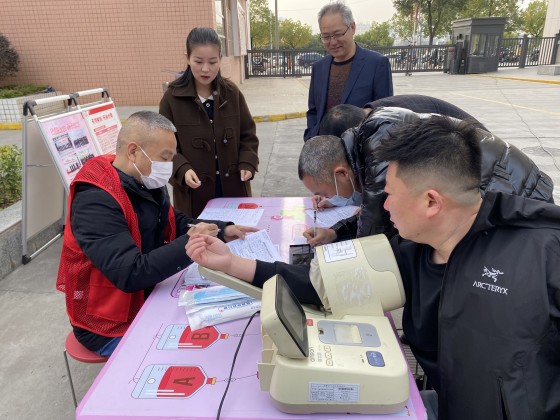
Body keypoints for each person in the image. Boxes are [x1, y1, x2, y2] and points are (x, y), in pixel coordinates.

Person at [187, 115, 560, 419]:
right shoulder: (411, 250)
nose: (384, 206)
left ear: (431, 202)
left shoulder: (544, 254)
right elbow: (321, 284)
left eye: (391, 195)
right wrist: (232, 262)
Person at [56, 111, 256, 357]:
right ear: (133, 151)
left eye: (172, 157)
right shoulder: (96, 200)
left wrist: (221, 229)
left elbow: (171, 220)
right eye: (165, 157)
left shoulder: (143, 179)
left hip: (148, 291)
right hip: (107, 323)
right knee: (192, 352)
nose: (169, 166)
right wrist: (191, 242)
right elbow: (129, 273)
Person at [301, 106, 554, 246]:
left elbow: (377, 221)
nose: (327, 198)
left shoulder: (378, 139)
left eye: (325, 192)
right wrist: (335, 232)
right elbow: (378, 209)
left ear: (341, 173)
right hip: (499, 190)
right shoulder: (366, 140)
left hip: (517, 193)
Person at [160, 27, 259, 217]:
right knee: (199, 234)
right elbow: (164, 147)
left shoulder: (231, 93)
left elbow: (248, 135)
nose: (206, 69)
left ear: (220, 59)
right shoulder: (172, 98)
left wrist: (247, 162)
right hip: (194, 194)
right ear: (187, 58)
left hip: (234, 189)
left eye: (212, 62)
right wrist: (182, 169)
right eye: (198, 61)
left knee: (235, 231)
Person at [303, 1, 393, 141]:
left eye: (338, 34)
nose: (333, 42)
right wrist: (311, 137)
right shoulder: (319, 67)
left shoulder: (377, 64)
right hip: (325, 148)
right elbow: (314, 111)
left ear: (352, 27)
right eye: (326, 36)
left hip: (359, 148)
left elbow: (385, 113)